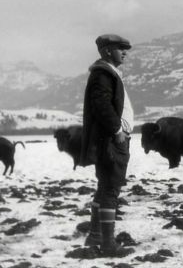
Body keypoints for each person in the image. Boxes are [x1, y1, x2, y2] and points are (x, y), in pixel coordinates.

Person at [80, 34, 134, 256]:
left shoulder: (106, 73)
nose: (124, 52)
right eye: (119, 48)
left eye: (124, 48)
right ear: (106, 51)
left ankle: (95, 235)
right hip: (112, 141)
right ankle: (109, 244)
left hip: (111, 139)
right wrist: (117, 130)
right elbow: (101, 104)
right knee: (111, 189)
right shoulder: (103, 74)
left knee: (105, 187)